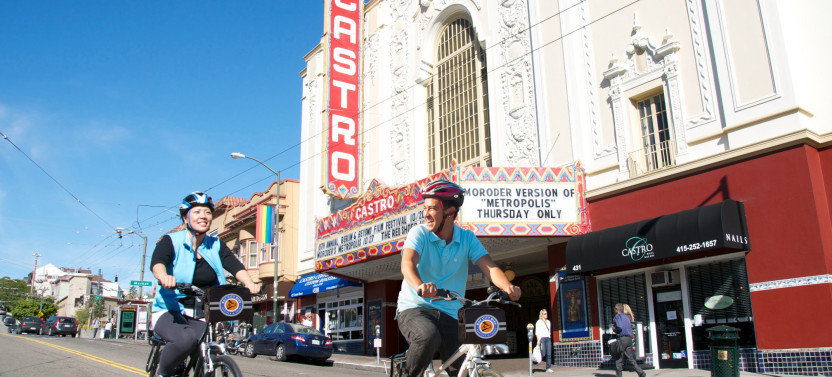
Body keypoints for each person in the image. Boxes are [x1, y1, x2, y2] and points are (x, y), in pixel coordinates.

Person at [397, 179, 522, 377]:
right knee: (428, 337)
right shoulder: (419, 233)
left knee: (462, 365)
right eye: (425, 208)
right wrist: (420, 286)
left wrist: (508, 286)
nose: (426, 214)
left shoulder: (467, 238)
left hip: (451, 313)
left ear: (449, 212)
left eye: (431, 208)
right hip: (415, 307)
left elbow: (489, 267)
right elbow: (407, 264)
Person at [151, 191, 261, 377]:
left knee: (208, 345)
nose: (203, 216)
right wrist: (164, 277)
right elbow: (158, 262)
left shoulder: (215, 245)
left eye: (207, 212)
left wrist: (248, 281)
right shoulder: (171, 241)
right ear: (186, 218)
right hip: (170, 309)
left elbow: (234, 266)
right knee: (185, 340)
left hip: (201, 312)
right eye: (197, 212)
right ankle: (163, 373)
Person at [613, 303, 646, 377]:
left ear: (617, 310)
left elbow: (620, 327)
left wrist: (614, 329)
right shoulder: (627, 317)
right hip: (629, 338)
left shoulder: (618, 316)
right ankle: (640, 372)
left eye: (615, 309)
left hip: (622, 339)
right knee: (630, 358)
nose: (615, 310)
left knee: (619, 359)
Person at [535, 309, 554, 373]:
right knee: (543, 353)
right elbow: (537, 332)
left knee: (549, 354)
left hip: (548, 338)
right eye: (545, 314)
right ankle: (535, 361)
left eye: (546, 313)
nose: (546, 315)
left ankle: (548, 368)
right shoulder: (539, 322)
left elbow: (549, 330)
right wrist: (538, 340)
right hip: (542, 339)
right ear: (542, 315)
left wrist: (550, 336)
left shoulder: (548, 322)